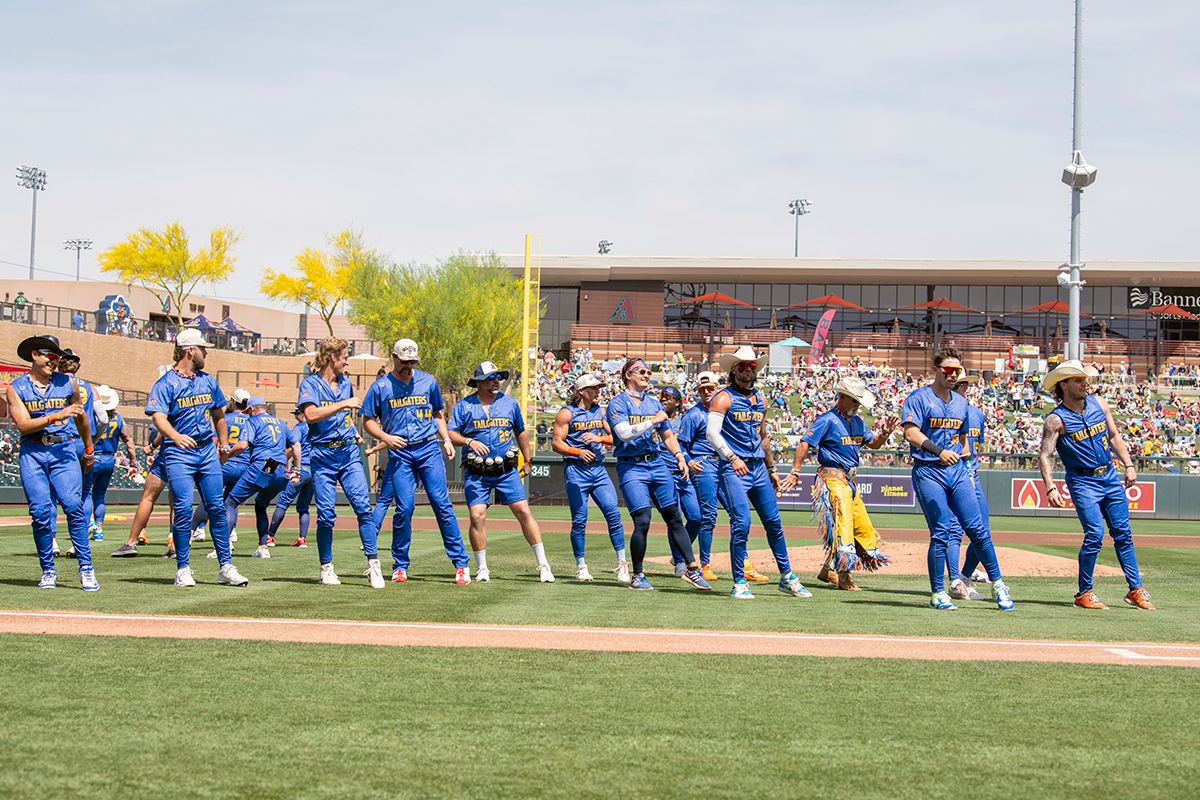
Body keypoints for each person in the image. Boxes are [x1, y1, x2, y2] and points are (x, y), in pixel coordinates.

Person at [1038, 360, 1155, 610]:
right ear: (1064, 385)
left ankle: (1136, 589)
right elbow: (1045, 455)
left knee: (1123, 533)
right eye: (1079, 380)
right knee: (1094, 535)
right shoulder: (1055, 419)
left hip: (1110, 476)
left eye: (1085, 379)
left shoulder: (1099, 403)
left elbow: (1114, 435)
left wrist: (1129, 464)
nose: (1085, 384)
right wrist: (1050, 487)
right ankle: (1084, 593)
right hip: (1082, 480)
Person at [901, 348, 1012, 611]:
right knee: (940, 532)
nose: (954, 375)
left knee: (978, 530)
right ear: (936, 370)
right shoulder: (919, 398)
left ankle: (998, 585)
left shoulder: (962, 404)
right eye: (948, 370)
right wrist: (940, 451)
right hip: (929, 470)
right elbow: (910, 434)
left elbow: (964, 438)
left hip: (958, 472)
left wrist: (964, 460)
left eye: (958, 371)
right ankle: (939, 592)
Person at [362, 338, 471, 585]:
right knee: (405, 508)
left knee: (442, 504)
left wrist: (445, 439)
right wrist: (385, 437)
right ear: (394, 357)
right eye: (404, 361)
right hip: (400, 451)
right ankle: (400, 565)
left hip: (428, 448)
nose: (408, 365)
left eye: (412, 361)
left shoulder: (427, 381)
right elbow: (368, 420)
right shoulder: (380, 387)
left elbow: (437, 413)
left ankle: (460, 563)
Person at [146, 328, 248, 588]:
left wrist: (224, 444)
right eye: (203, 348)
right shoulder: (166, 382)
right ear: (190, 350)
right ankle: (183, 568)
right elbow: (158, 416)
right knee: (182, 508)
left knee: (216, 507)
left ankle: (225, 566)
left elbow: (219, 415)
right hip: (178, 452)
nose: (206, 352)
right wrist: (175, 435)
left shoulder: (208, 380)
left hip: (206, 452)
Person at [706, 346, 809, 600]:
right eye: (743, 366)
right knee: (742, 523)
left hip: (758, 468)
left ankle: (787, 577)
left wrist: (772, 468)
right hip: (734, 468)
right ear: (733, 370)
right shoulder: (723, 397)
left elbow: (763, 437)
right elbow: (711, 434)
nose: (748, 370)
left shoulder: (760, 399)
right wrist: (731, 457)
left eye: (752, 366)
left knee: (774, 522)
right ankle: (739, 582)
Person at [781, 375, 898, 591]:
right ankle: (844, 575)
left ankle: (828, 568)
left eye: (860, 401)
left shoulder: (858, 422)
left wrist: (884, 434)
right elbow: (805, 443)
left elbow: (873, 444)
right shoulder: (827, 420)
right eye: (855, 400)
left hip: (849, 482)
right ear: (842, 397)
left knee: (861, 527)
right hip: (832, 479)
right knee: (844, 526)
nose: (858, 405)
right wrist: (794, 472)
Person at [605, 357, 710, 591]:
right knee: (642, 520)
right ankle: (638, 575)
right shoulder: (618, 403)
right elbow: (623, 433)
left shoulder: (654, 404)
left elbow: (668, 437)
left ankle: (692, 569)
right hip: (631, 466)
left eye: (647, 371)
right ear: (627, 375)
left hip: (657, 464)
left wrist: (680, 457)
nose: (646, 374)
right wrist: (653, 420)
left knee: (674, 516)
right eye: (640, 371)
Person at [448, 361, 554, 583]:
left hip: (506, 471)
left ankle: (544, 565)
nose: (496, 381)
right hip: (477, 472)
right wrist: (468, 441)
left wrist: (528, 460)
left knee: (524, 512)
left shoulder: (509, 403)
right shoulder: (464, 406)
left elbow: (521, 432)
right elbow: (451, 433)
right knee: (477, 515)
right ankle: (482, 568)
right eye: (491, 377)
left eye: (498, 377)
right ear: (478, 382)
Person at [6, 334, 97, 590]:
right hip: (32, 451)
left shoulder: (68, 383)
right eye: (49, 356)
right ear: (34, 355)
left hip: (64, 449)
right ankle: (48, 570)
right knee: (40, 512)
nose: (54, 361)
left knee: (72, 506)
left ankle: (86, 567)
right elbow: (23, 426)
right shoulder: (16, 388)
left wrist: (89, 447)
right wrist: (57, 415)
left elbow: (80, 418)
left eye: (57, 357)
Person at [297, 336, 382, 587]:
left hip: (347, 453)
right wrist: (342, 403)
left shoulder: (346, 383)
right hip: (322, 456)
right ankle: (326, 568)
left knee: (363, 507)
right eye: (345, 356)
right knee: (325, 515)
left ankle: (373, 565)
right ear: (333, 357)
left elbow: (344, 416)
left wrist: (353, 430)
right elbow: (310, 415)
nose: (347, 361)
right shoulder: (309, 384)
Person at [550, 373, 628, 583]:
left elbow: (616, 436)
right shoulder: (566, 413)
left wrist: (600, 438)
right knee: (580, 519)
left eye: (599, 388)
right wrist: (577, 452)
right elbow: (556, 443)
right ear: (582, 391)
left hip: (598, 469)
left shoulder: (599, 411)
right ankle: (581, 566)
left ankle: (622, 564)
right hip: (576, 469)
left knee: (613, 514)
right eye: (594, 388)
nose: (598, 392)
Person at [223, 397, 297, 559]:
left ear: (252, 409)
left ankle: (223, 547)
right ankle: (263, 547)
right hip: (282, 469)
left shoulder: (253, 421)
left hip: (266, 464)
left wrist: (225, 454)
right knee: (261, 505)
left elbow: (242, 445)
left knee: (230, 501)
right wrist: (296, 469)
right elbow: (296, 446)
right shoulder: (281, 423)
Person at [946, 376, 993, 602]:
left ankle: (964, 578)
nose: (962, 387)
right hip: (951, 476)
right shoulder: (940, 411)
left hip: (972, 475)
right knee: (954, 530)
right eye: (959, 384)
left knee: (982, 531)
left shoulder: (977, 414)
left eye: (963, 384)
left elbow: (974, 447)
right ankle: (955, 581)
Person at [675, 371, 724, 582]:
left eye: (710, 389)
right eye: (702, 390)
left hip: (724, 462)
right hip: (703, 463)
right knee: (708, 515)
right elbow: (680, 443)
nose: (706, 393)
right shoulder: (694, 414)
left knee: (738, 513)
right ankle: (705, 564)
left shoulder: (724, 411)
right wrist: (688, 460)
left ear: (717, 389)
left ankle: (744, 563)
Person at [190, 389, 252, 545]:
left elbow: (215, 441)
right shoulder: (251, 420)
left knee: (209, 499)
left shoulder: (224, 418)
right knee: (231, 501)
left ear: (233, 402)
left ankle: (191, 532)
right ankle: (231, 534)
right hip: (244, 465)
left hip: (225, 463)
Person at [54, 349, 101, 549]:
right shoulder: (89, 388)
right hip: (83, 443)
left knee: (51, 494)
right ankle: (79, 542)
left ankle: (52, 541)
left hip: (61, 441)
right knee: (84, 492)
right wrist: (93, 439)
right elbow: (103, 419)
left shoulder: (54, 384)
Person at [89, 385, 139, 541]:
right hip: (109, 460)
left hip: (93, 457)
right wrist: (133, 463)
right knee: (99, 495)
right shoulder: (118, 418)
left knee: (84, 493)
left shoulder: (93, 416)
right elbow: (129, 443)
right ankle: (99, 530)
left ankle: (88, 523)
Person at [110, 434, 173, 557]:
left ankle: (131, 543)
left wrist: (152, 446)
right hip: (189, 451)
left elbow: (164, 425)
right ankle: (176, 547)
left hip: (169, 450)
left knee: (148, 497)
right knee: (177, 502)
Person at [267, 407, 314, 548]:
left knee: (283, 502)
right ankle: (302, 539)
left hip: (302, 468)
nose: (296, 418)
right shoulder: (318, 425)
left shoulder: (300, 427)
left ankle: (270, 536)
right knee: (304, 506)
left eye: (296, 415)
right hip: (315, 470)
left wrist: (272, 465)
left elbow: (292, 447)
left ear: (302, 414)